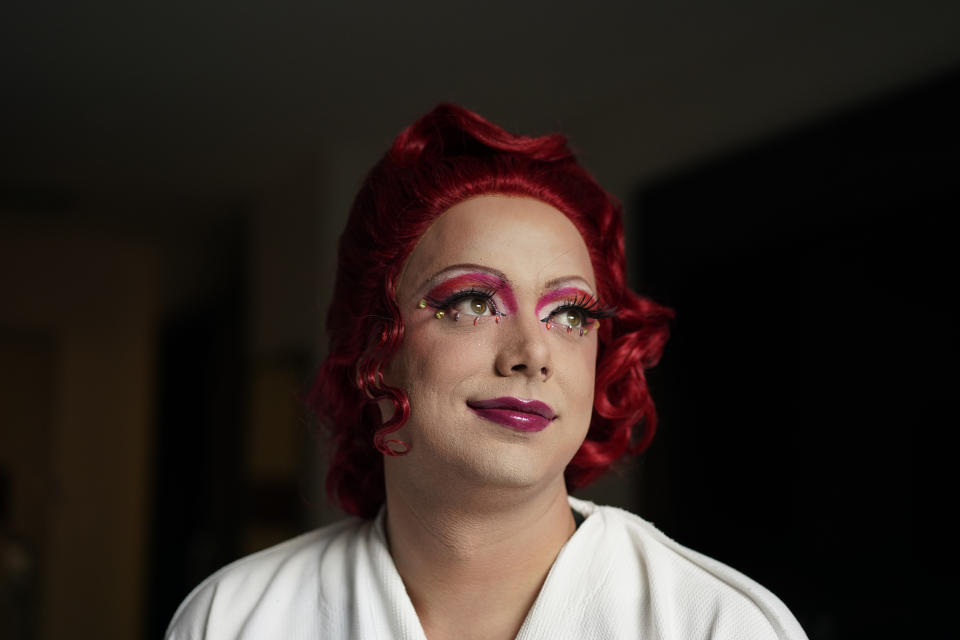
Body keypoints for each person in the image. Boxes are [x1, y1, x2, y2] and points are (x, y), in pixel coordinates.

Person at [165, 105, 808, 639]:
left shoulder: (719, 625)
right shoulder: (234, 618)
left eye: (569, 314)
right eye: (473, 302)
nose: (532, 351)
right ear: (374, 347)